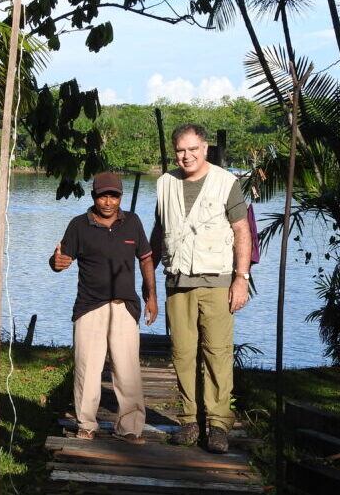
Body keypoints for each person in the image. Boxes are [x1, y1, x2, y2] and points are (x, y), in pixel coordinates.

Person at [151, 124, 252, 454]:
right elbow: (158, 231)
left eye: (193, 149)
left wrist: (241, 278)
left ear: (205, 149)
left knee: (217, 353)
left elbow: (241, 232)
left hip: (217, 281)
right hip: (177, 282)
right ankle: (190, 420)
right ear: (174, 151)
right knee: (182, 353)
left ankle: (218, 424)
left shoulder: (226, 182)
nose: (186, 156)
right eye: (181, 150)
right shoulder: (165, 184)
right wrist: (147, 277)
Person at [50, 171, 158, 445]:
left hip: (124, 306)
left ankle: (130, 427)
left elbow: (146, 259)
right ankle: (86, 424)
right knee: (87, 367)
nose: (108, 202)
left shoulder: (132, 222)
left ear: (120, 196)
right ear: (93, 197)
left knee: (127, 369)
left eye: (114, 196)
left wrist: (151, 296)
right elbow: (61, 259)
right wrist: (56, 262)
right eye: (103, 196)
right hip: (90, 307)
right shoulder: (78, 225)